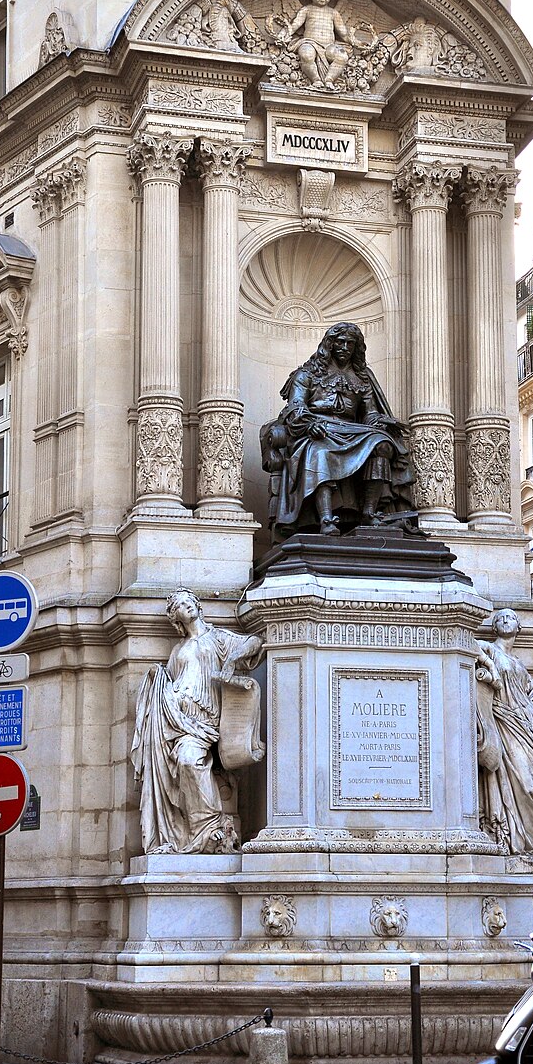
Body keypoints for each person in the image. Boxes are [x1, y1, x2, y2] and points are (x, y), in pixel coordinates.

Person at [131, 589, 262, 855]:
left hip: (204, 721)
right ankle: (184, 831)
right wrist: (159, 681)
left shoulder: (217, 638)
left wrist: (233, 660)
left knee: (190, 760)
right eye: (179, 605)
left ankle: (209, 825)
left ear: (198, 606)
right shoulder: (178, 650)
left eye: (189, 601)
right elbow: (172, 680)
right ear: (175, 617)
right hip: (176, 719)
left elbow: (254, 642)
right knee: (178, 763)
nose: (186, 606)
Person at [260, 322, 413, 536]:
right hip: (317, 430)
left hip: (352, 431)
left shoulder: (363, 378)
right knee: (320, 452)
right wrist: (309, 424)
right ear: (329, 344)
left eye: (350, 343)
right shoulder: (307, 374)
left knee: (383, 444)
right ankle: (326, 519)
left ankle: (369, 513)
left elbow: (368, 413)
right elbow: (295, 408)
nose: (345, 347)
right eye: (340, 342)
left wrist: (381, 421)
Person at [475, 608, 533, 857]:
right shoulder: (491, 650)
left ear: (519, 627)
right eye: (500, 618)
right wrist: (490, 666)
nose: (505, 620)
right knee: (526, 784)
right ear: (494, 627)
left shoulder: (519, 665)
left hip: (523, 726)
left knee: (532, 783)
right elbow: (470, 644)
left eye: (511, 617)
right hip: (504, 723)